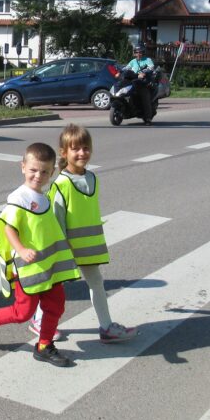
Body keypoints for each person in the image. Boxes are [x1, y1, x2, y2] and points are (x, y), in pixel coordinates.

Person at [0, 142, 81, 367]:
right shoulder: (19, 198)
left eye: (45, 171)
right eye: (33, 170)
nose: (39, 175)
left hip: (49, 268)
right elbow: (8, 227)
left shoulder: (44, 198)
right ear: (23, 167)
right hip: (28, 269)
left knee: (56, 305)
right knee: (22, 313)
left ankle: (44, 345)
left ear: (52, 172)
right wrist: (21, 249)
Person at [29, 124, 136, 343]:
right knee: (55, 286)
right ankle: (39, 320)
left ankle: (106, 327)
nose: (81, 153)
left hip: (87, 248)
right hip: (66, 249)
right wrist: (61, 249)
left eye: (85, 148)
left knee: (96, 282)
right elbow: (56, 219)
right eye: (75, 148)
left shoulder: (92, 178)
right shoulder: (61, 184)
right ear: (63, 152)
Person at [122, 45, 156, 124]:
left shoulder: (147, 60)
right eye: (136, 52)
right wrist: (120, 71)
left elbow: (151, 67)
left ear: (143, 53)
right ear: (134, 53)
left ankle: (148, 118)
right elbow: (126, 68)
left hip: (143, 82)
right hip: (132, 81)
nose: (138, 54)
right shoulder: (133, 61)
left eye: (140, 52)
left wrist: (144, 72)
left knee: (145, 97)